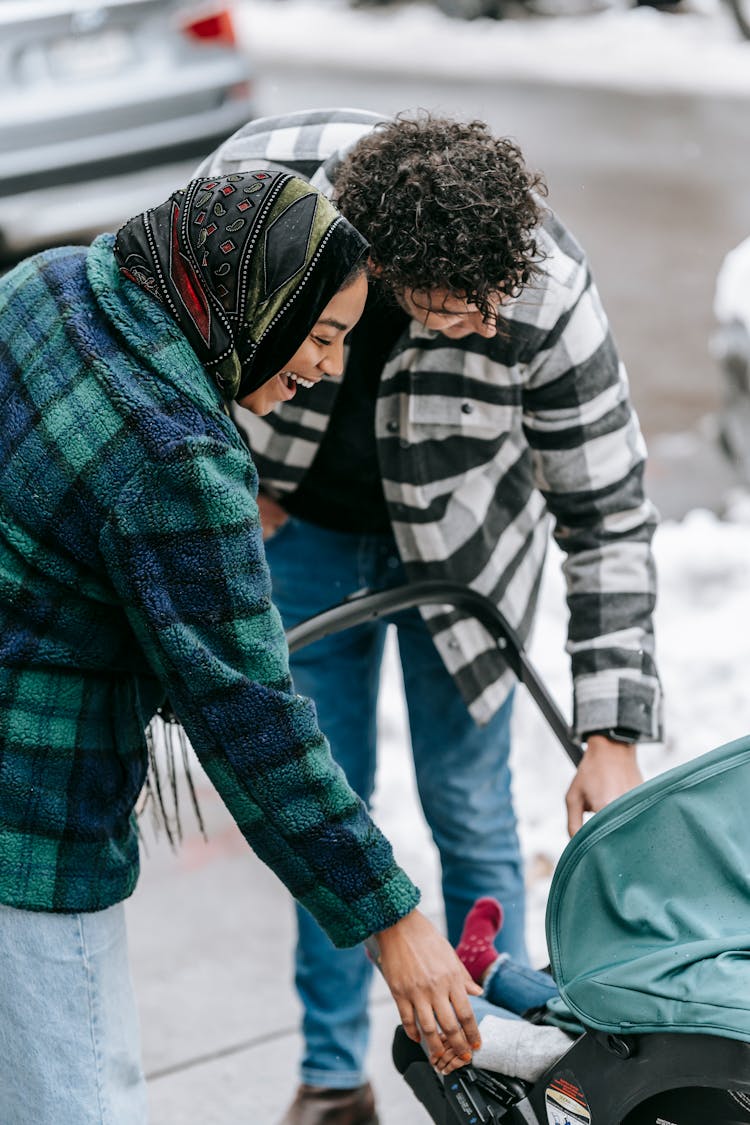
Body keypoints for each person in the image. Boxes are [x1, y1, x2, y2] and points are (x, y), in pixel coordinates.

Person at [199, 109, 662, 1125]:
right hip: (303, 532)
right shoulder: (262, 202)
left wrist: (612, 734)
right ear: (381, 272)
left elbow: (609, 510)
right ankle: (332, 1080)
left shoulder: (543, 292)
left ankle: (505, 1074)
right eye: (456, 312)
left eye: (498, 301)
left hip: (468, 548)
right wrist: (229, 473)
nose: (489, 324)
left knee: (469, 803)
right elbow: (166, 340)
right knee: (326, 805)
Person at [0, 169, 483, 1125]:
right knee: (77, 1100)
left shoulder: (51, 283)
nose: (331, 367)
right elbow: (255, 722)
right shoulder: (177, 455)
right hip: (32, 812)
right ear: (255, 299)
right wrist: (391, 917)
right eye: (323, 334)